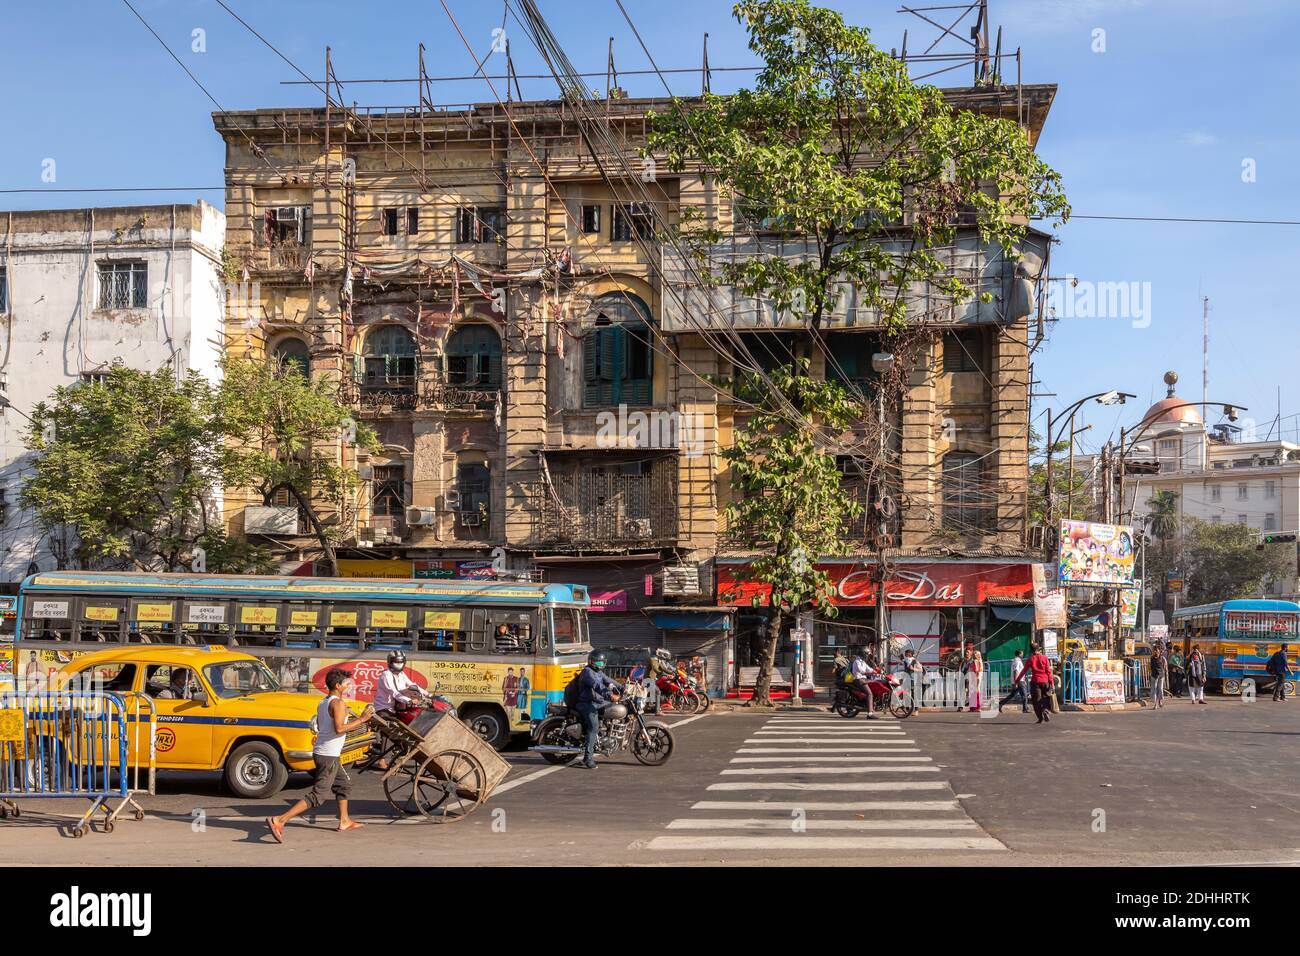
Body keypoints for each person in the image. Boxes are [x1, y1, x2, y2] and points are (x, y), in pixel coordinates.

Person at [267, 668, 373, 843]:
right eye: (346, 683)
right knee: (319, 795)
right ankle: (279, 820)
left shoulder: (324, 702)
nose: (349, 686)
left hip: (325, 752)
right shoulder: (337, 703)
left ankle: (344, 821)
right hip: (328, 755)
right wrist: (362, 719)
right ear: (338, 686)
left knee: (343, 786)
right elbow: (339, 728)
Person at [574, 649, 621, 769]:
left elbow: (608, 681)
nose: (602, 665)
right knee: (593, 726)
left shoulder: (598, 672)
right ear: (592, 662)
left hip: (597, 702)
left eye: (602, 663)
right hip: (585, 703)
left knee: (613, 708)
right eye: (599, 663)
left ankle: (604, 734)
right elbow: (597, 686)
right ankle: (587, 758)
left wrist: (623, 687)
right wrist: (610, 695)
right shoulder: (588, 672)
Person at [1024, 643, 1054, 724]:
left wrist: (1017, 681)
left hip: (1035, 681)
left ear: (1031, 650)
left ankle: (1040, 718)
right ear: (1039, 649)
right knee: (1046, 697)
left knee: (1036, 700)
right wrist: (1052, 683)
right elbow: (1048, 671)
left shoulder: (1030, 659)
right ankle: (1045, 709)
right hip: (1045, 681)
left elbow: (1024, 671)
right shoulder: (1045, 658)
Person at [999, 649, 1031, 713]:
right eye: (1022, 653)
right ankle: (1025, 709)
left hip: (1019, 680)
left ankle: (1000, 704)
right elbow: (1015, 671)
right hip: (1019, 681)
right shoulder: (1017, 661)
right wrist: (1016, 682)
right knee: (1024, 694)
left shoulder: (1016, 660)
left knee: (1012, 695)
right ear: (1019, 654)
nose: (1022, 654)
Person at [849, 651, 878, 719]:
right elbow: (861, 671)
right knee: (870, 694)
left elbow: (869, 669)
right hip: (859, 680)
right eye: (867, 654)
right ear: (863, 654)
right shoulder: (857, 661)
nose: (867, 655)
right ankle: (870, 714)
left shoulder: (863, 662)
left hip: (864, 679)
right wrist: (870, 673)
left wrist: (876, 671)